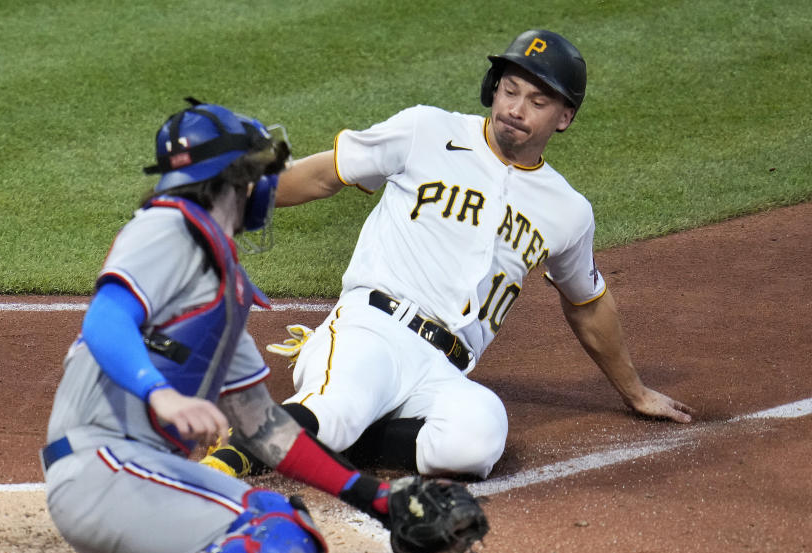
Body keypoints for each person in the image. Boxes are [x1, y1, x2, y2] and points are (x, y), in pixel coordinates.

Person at [13, 100, 471, 553]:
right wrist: (161, 394)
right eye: (256, 172)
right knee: (273, 541)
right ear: (232, 179)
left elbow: (265, 429)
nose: (266, 185)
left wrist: (371, 497)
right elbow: (108, 317)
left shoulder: (220, 284)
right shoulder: (169, 227)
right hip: (104, 466)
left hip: (140, 474)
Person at [203, 29, 693, 481]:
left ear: (563, 118)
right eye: (509, 90)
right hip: (370, 330)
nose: (516, 109)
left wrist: (635, 391)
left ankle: (343, 439)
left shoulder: (568, 211)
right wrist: (229, 202)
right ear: (492, 88)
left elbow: (586, 302)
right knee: (334, 409)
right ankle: (214, 470)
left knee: (478, 439)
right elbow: (323, 175)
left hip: (443, 369)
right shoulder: (427, 131)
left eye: (538, 101)